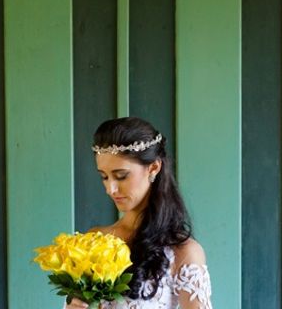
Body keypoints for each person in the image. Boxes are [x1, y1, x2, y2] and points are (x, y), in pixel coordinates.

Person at [66, 117, 213, 309]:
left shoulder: (183, 252)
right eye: (104, 176)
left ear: (153, 167)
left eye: (121, 176)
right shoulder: (93, 241)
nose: (110, 189)